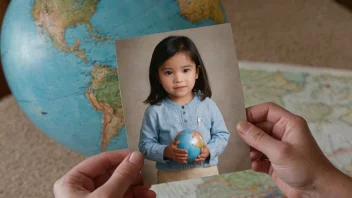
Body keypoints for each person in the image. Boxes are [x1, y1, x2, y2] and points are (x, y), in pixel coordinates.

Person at [54, 102, 352, 198]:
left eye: (185, 70)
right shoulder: (156, 114)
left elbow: (220, 137)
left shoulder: (208, 109)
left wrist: (318, 180)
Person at [138, 35, 230, 183]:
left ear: (197, 72)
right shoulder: (155, 111)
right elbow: (145, 145)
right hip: (171, 178)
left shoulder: (207, 104)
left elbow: (222, 135)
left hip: (208, 173)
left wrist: (210, 150)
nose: (178, 79)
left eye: (186, 70)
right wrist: (165, 151)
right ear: (158, 77)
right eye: (168, 72)